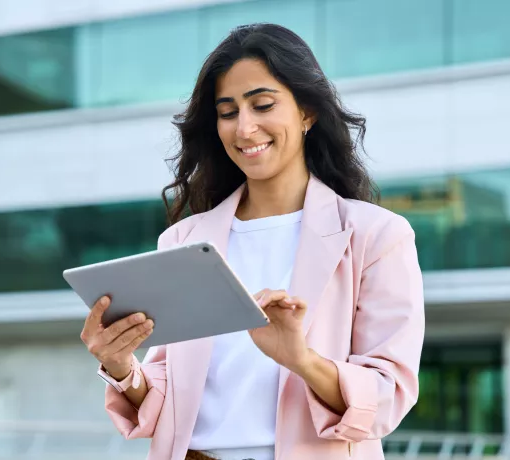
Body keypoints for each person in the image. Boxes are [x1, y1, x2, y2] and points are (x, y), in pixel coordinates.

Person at [78, 23, 424, 460]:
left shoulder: (376, 235)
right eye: (227, 112)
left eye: (262, 105)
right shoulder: (184, 239)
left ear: (307, 112)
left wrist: (302, 360)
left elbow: (389, 394)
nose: (244, 128)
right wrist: (121, 365)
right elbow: (168, 396)